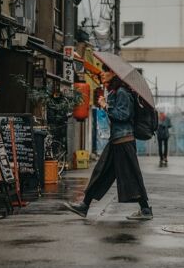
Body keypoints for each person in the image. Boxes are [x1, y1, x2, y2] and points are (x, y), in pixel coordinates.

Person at [64, 69, 152, 220]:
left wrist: (105, 106)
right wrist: (106, 101)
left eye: (106, 71)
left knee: (131, 175)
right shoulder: (115, 92)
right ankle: (84, 205)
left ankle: (145, 209)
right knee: (101, 172)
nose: (102, 74)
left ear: (115, 74)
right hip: (117, 140)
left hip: (124, 141)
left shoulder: (123, 92)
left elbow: (123, 115)